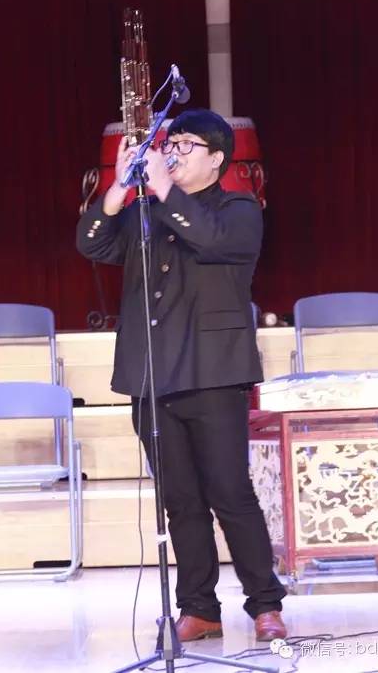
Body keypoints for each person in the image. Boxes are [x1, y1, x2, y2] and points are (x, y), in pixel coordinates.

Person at [76, 109, 287, 642]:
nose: (172, 152)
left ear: (217, 159)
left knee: (230, 493)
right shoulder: (145, 213)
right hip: (153, 376)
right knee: (181, 501)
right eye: (169, 145)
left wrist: (165, 189)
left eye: (186, 145)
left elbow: (211, 241)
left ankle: (265, 603)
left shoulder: (238, 209)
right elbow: (93, 243)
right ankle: (199, 608)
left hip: (213, 374)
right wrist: (119, 189)